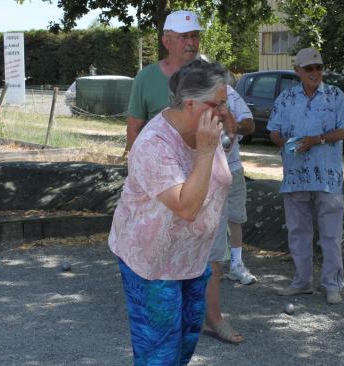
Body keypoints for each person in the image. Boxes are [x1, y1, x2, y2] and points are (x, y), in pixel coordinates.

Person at [108, 59, 232, 365]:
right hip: (153, 264)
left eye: (225, 103)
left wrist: (206, 147)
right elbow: (187, 207)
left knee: (186, 341)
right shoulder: (154, 144)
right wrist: (205, 152)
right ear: (191, 104)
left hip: (191, 258)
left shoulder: (206, 129)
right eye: (218, 104)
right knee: (160, 354)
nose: (225, 112)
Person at [267, 47, 344, 305]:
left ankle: (332, 284)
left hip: (328, 176)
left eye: (319, 67)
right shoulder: (286, 98)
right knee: (298, 231)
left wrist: (318, 139)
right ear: (298, 72)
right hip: (295, 175)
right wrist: (285, 142)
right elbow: (273, 131)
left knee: (331, 233)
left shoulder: (336, 95)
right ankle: (302, 282)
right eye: (309, 69)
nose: (315, 72)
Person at [203, 85, 255, 344]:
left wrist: (226, 115)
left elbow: (230, 140)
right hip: (187, 189)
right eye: (217, 102)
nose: (221, 106)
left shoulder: (222, 106)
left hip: (215, 187)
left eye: (223, 101)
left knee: (214, 257)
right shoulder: (179, 114)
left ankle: (213, 318)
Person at [123, 10, 204, 156]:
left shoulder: (210, 77)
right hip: (159, 167)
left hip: (202, 167)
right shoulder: (146, 78)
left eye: (195, 36)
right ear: (167, 41)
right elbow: (133, 128)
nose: (191, 42)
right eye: (184, 37)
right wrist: (134, 164)